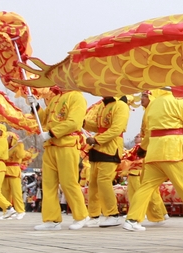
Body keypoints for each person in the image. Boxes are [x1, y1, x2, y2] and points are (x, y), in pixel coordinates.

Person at [125, 88, 183, 231]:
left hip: (154, 151)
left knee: (145, 187)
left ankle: (132, 219)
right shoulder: (177, 101)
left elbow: (148, 131)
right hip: (172, 150)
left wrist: (143, 147)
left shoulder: (152, 105)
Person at [33, 86, 91, 231]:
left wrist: (51, 133)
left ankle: (81, 216)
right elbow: (45, 119)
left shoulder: (76, 97)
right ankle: (51, 219)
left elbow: (74, 122)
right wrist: (36, 107)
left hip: (67, 144)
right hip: (51, 145)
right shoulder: (55, 99)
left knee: (68, 182)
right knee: (48, 184)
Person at [83, 95, 130, 228]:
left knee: (103, 181)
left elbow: (116, 129)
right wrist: (83, 123)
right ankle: (94, 215)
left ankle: (113, 214)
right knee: (93, 183)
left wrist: (96, 140)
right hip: (98, 148)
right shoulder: (102, 106)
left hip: (111, 148)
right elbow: (99, 127)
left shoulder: (121, 105)